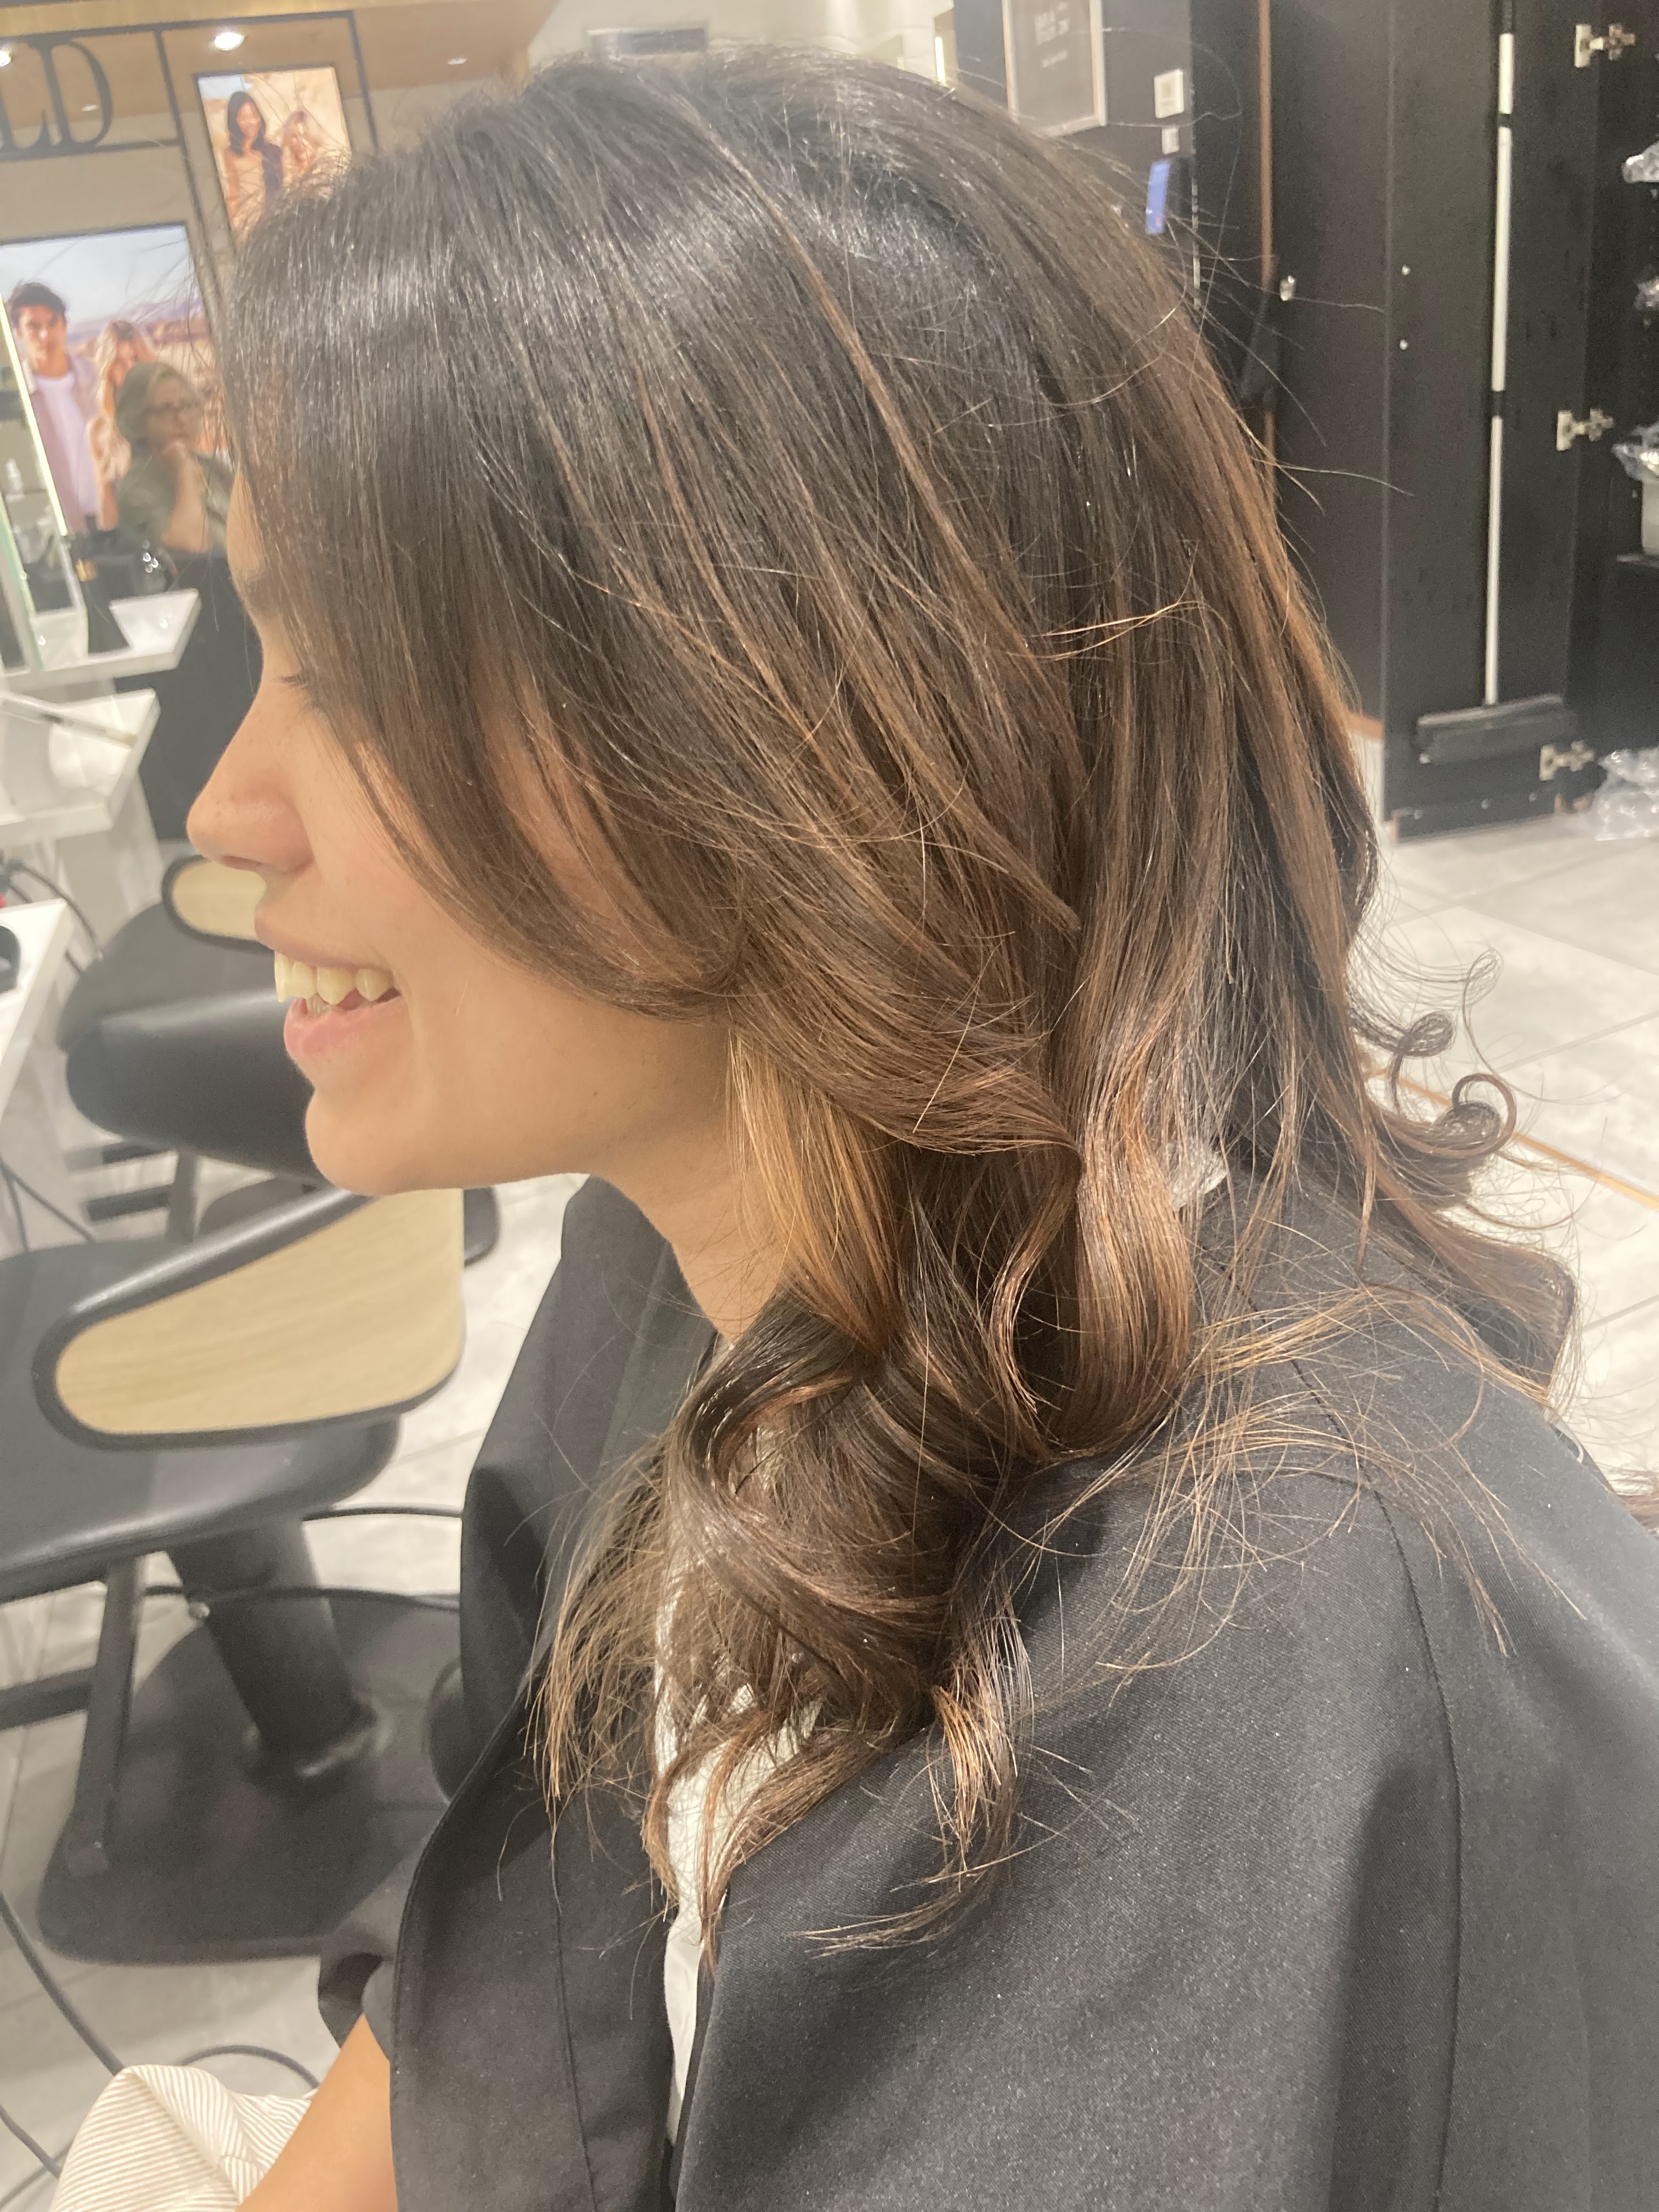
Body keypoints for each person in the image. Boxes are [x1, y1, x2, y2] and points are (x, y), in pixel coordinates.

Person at [53, 47, 1659, 2212]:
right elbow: (505, 1965)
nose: (225, 810)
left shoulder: (1284, 1697)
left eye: (341, 674)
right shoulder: (685, 1262)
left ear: (764, 721)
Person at [5, 279, 99, 532]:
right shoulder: (16, 398)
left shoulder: (97, 380)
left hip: (116, 521)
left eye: (52, 323)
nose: (45, 335)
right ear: (18, 332)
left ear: (64, 325)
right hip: (59, 531)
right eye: (33, 327)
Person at [113, 359, 232, 555]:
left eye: (187, 406)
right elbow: (192, 546)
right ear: (138, 420)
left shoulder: (214, 467)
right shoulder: (136, 491)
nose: (182, 419)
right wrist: (184, 470)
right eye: (166, 410)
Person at [87, 317, 156, 532]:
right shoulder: (99, 432)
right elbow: (107, 504)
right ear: (108, 370)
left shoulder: (170, 412)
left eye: (135, 358)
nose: (130, 369)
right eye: (119, 361)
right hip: (138, 541)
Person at [221, 87, 285, 240]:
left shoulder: (272, 152)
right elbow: (233, 193)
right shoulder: (230, 154)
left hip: (272, 222)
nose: (250, 122)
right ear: (234, 121)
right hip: (246, 224)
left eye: (253, 116)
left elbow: (282, 188)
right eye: (243, 118)